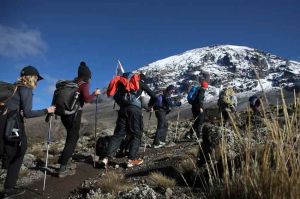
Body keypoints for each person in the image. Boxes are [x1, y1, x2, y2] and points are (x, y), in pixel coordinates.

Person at [0, 66, 55, 199]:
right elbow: (28, 113)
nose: (37, 81)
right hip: (12, 125)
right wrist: (46, 111)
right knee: (20, 150)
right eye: (36, 78)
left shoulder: (14, 88)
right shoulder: (26, 89)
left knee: (6, 152)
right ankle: (8, 188)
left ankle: (7, 177)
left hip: (2, 122)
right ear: (31, 77)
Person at [102, 73, 156, 168]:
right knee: (136, 134)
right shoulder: (140, 83)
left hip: (122, 110)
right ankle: (131, 159)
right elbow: (154, 97)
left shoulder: (121, 83)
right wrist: (150, 106)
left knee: (118, 134)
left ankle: (106, 158)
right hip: (135, 110)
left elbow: (115, 97)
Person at [58, 61, 100, 178]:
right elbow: (86, 99)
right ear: (88, 75)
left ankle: (65, 160)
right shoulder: (84, 84)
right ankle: (62, 168)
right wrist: (94, 94)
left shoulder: (72, 83)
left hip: (64, 114)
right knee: (73, 138)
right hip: (74, 114)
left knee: (72, 136)